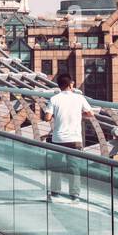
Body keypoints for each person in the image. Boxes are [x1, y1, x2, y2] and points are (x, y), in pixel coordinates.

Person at [44, 72, 94, 202]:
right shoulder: (79, 98)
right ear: (71, 84)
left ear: (59, 85)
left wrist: (56, 115)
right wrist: (79, 116)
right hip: (75, 139)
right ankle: (75, 194)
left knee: (56, 167)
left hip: (58, 139)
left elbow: (47, 117)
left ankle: (55, 192)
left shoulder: (54, 99)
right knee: (74, 167)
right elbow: (90, 114)